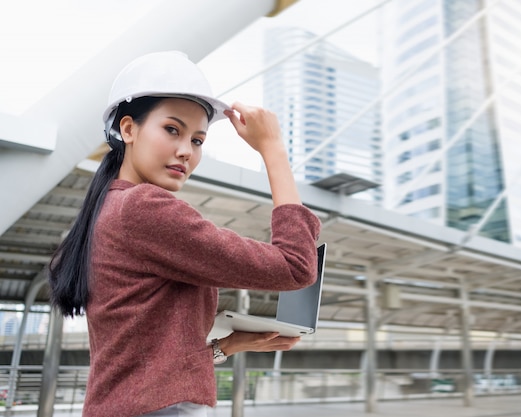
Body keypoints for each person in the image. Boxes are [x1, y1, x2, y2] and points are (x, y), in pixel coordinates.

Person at [47, 51, 321, 417]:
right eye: (172, 130)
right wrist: (273, 149)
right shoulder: (143, 207)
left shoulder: (106, 210)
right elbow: (294, 266)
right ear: (128, 129)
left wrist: (229, 346)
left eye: (197, 140)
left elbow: (140, 358)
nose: (185, 152)